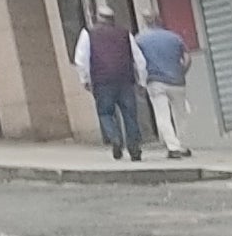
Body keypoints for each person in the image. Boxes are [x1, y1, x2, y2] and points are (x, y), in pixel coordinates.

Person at [73, 10, 142, 160]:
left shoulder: (88, 33)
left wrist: (85, 79)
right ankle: (134, 149)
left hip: (102, 81)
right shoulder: (125, 33)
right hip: (125, 80)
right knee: (130, 115)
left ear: (98, 18)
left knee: (105, 113)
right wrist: (142, 79)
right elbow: (138, 57)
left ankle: (115, 138)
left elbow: (81, 59)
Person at [132, 16, 190, 156]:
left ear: (145, 23)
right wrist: (182, 72)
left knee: (162, 115)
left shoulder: (139, 39)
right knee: (181, 114)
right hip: (177, 81)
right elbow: (187, 58)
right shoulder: (174, 37)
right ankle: (183, 144)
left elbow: (137, 62)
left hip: (155, 81)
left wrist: (141, 81)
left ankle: (173, 147)